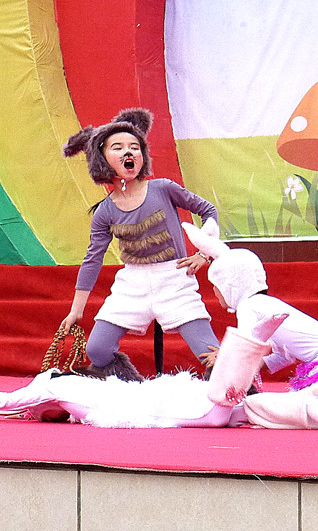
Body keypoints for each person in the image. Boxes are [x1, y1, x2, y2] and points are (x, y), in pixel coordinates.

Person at [0, 313, 318, 429]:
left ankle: (248, 347)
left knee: (234, 407)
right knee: (244, 406)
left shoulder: (58, 386)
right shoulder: (70, 395)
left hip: (162, 406)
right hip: (164, 405)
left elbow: (11, 404)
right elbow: (18, 407)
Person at [59, 108, 220, 381]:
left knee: (210, 353)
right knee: (97, 350)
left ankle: (235, 393)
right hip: (132, 284)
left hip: (174, 280)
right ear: (101, 158)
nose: (128, 152)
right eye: (118, 147)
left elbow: (209, 211)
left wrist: (204, 253)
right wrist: (76, 310)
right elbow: (92, 259)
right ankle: (130, 389)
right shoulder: (105, 212)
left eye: (134, 147)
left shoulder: (164, 188)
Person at [184, 220, 318, 426]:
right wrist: (259, 363)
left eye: (216, 285)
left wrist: (224, 357)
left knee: (302, 405)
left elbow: (246, 346)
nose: (215, 291)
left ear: (230, 285)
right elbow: (284, 355)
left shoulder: (248, 306)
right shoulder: (266, 304)